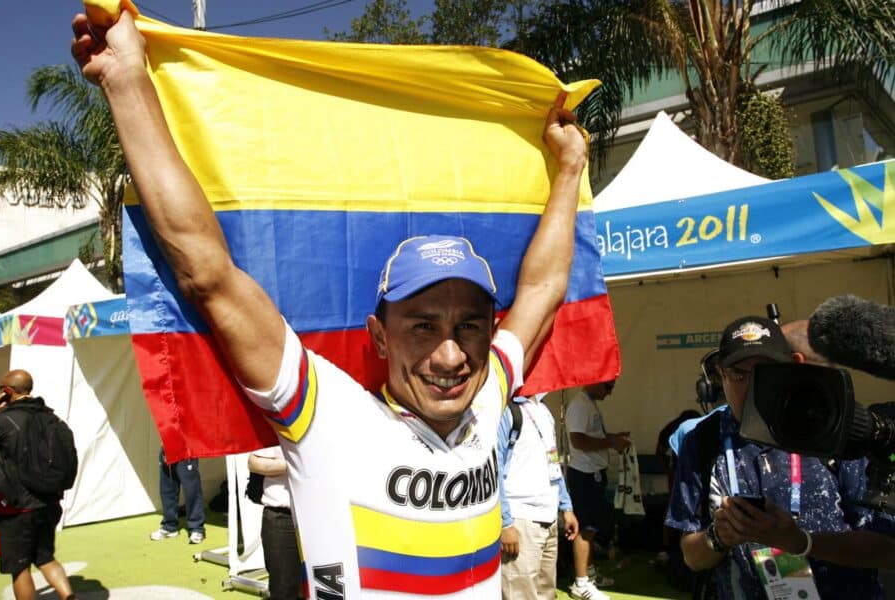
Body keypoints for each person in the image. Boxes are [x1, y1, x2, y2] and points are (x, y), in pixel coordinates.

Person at [72, 8, 587, 597]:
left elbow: (544, 289)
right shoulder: (327, 417)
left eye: (468, 325)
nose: (451, 355)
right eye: (422, 325)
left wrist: (569, 168)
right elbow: (209, 274)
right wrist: (127, 81)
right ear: (379, 336)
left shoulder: (489, 393)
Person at [666, 316, 888, 599]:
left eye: (765, 372)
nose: (751, 387)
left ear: (793, 366)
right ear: (720, 375)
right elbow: (691, 556)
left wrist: (801, 542)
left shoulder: (832, 425)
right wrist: (719, 537)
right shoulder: (703, 440)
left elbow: (886, 547)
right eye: (738, 374)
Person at [0, 369, 77, 600]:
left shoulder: (4, 420)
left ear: (6, 392)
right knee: (44, 557)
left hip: (17, 507)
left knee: (19, 567)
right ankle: (70, 598)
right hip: (49, 502)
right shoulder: (51, 417)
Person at [498, 393, 579, 600]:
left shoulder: (544, 411)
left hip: (549, 516)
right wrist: (505, 523)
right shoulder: (507, 410)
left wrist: (566, 507)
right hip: (521, 518)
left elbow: (553, 461)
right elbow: (494, 468)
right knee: (520, 593)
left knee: (546, 592)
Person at [564, 379, 628, 600]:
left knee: (591, 528)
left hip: (592, 473)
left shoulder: (588, 404)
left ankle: (588, 575)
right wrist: (611, 442)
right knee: (586, 528)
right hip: (584, 474)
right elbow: (578, 440)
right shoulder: (580, 405)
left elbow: (590, 437)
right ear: (593, 382)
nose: (610, 393)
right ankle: (581, 583)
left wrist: (613, 438)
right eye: (607, 387)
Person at [248, 447, 302, 600]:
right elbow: (253, 462)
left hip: (325, 517)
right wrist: (297, 464)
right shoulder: (278, 424)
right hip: (283, 517)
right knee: (284, 589)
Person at [151, 447, 205, 544]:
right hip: (167, 447)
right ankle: (169, 526)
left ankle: (196, 528)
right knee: (167, 488)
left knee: (191, 489)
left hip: (187, 448)